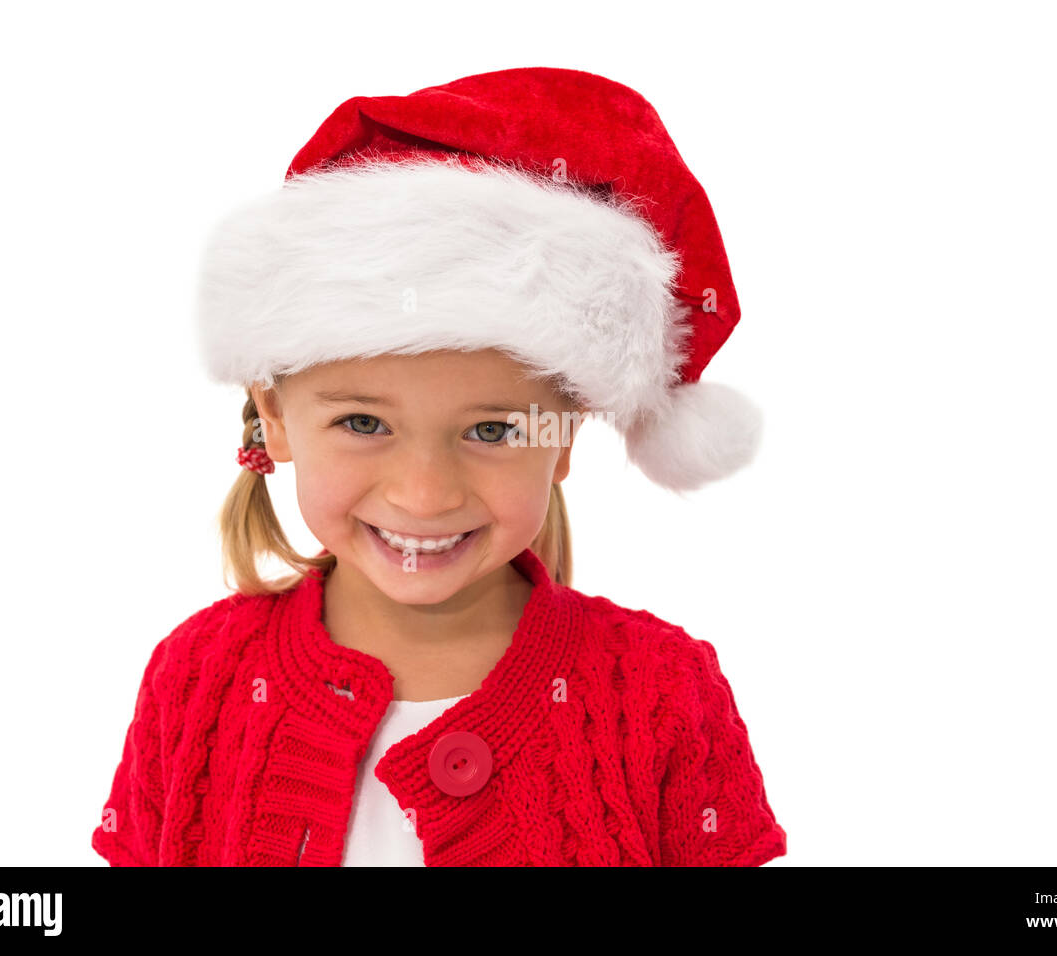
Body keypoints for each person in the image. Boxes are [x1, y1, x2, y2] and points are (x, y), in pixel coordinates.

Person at [91, 66, 786, 866]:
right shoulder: (197, 679)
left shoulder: (663, 692)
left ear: (562, 437)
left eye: (491, 430)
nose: (423, 493)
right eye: (363, 422)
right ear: (274, 418)